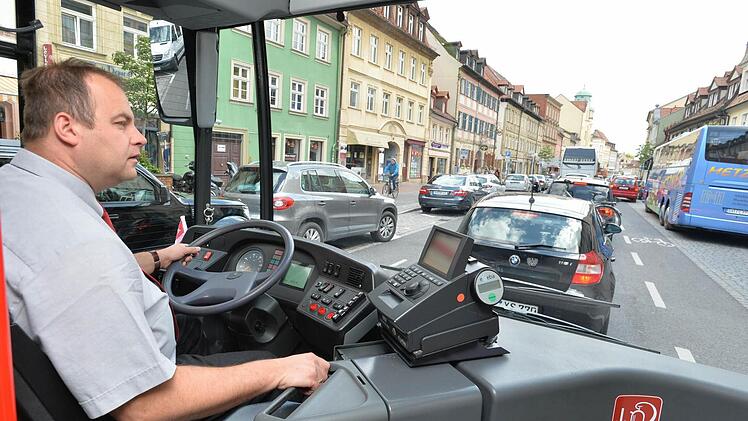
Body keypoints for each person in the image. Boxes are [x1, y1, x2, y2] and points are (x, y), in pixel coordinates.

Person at [0, 59, 329, 420]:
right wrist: (281, 370)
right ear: (67, 128)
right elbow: (142, 406)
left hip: (116, 358)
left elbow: (68, 282)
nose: (139, 136)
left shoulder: (17, 190)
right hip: (152, 387)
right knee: (273, 361)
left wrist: (158, 257)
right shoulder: (78, 244)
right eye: (121, 123)